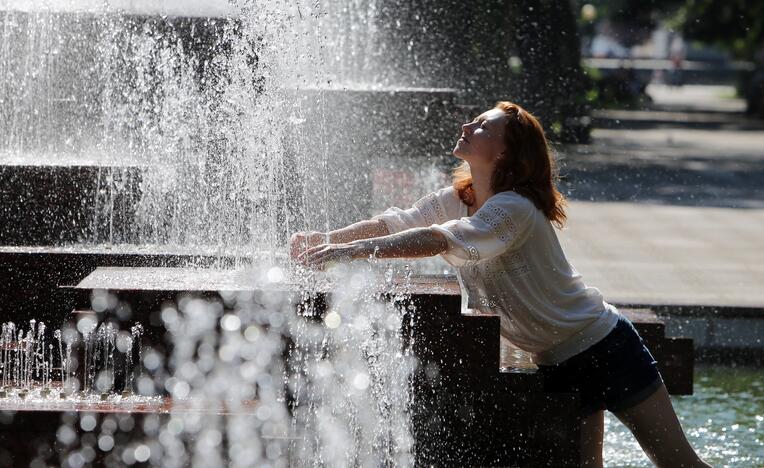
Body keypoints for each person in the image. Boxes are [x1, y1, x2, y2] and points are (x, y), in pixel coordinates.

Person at [290, 101, 710, 468]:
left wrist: (353, 252)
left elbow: (440, 239)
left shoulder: (515, 209)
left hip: (606, 349)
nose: (466, 128)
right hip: (555, 360)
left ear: (505, 150)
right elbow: (397, 221)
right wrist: (329, 239)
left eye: (481, 127)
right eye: (471, 122)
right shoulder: (461, 197)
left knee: (678, 463)